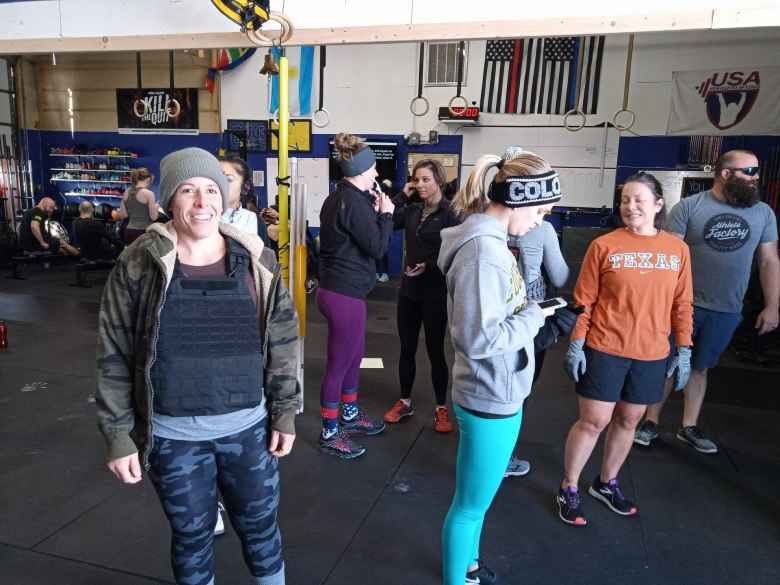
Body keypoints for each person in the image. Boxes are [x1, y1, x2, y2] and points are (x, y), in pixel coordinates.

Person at [96, 147, 300, 585]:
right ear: (170, 199)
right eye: (188, 190)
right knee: (192, 537)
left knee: (262, 531)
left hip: (249, 431)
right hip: (173, 439)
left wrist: (285, 410)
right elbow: (113, 350)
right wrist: (116, 433)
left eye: (211, 188)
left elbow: (282, 340)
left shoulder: (257, 261)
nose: (203, 201)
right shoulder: (138, 264)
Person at [438, 151, 561, 585]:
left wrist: (536, 312)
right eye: (541, 213)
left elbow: (499, 313)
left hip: (500, 389)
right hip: (489, 395)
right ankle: (459, 579)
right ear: (520, 201)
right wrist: (535, 320)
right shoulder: (483, 254)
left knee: (478, 502)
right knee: (470, 505)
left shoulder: (492, 245)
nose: (540, 223)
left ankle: (468, 566)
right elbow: (477, 340)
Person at [556, 172, 693, 527]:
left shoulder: (677, 250)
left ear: (658, 205)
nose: (630, 207)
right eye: (625, 201)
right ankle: (569, 486)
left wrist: (684, 349)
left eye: (639, 201)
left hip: (651, 353)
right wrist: (576, 344)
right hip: (605, 346)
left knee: (630, 419)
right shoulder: (604, 245)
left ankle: (606, 482)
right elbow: (583, 301)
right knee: (594, 421)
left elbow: (682, 305)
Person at [635, 150, 779, 453]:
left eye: (756, 171)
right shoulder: (690, 207)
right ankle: (650, 421)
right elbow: (667, 257)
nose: (756, 178)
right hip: (681, 305)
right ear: (726, 174)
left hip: (726, 307)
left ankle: (688, 426)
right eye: (749, 171)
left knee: (701, 367)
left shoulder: (763, 213)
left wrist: (773, 305)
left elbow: (769, 261)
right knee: (668, 364)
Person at [316, 132, 395, 459]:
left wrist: (383, 211)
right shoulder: (350, 201)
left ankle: (348, 414)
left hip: (346, 292)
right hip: (342, 293)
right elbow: (377, 246)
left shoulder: (346, 198)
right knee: (339, 363)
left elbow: (365, 233)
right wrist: (387, 215)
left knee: (353, 355)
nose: (377, 174)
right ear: (361, 171)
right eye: (374, 168)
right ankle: (329, 432)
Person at [382, 159, 460, 433]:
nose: (421, 185)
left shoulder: (451, 213)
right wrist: (403, 193)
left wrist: (428, 264)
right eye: (416, 180)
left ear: (439, 180)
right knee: (406, 348)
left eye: (426, 179)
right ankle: (405, 402)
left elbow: (456, 251)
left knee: (436, 351)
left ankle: (441, 408)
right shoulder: (413, 210)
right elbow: (386, 216)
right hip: (409, 290)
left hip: (435, 291)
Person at [504, 214, 570, 477]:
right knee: (521, 389)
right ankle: (504, 456)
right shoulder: (542, 229)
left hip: (494, 314)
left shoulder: (485, 222)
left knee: (494, 383)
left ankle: (489, 451)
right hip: (529, 317)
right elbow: (561, 277)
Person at [118, 167, 159, 243]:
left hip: (128, 231)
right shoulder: (149, 194)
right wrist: (156, 207)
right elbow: (154, 218)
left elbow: (123, 215)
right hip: (143, 232)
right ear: (148, 179)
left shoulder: (127, 191)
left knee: (131, 254)